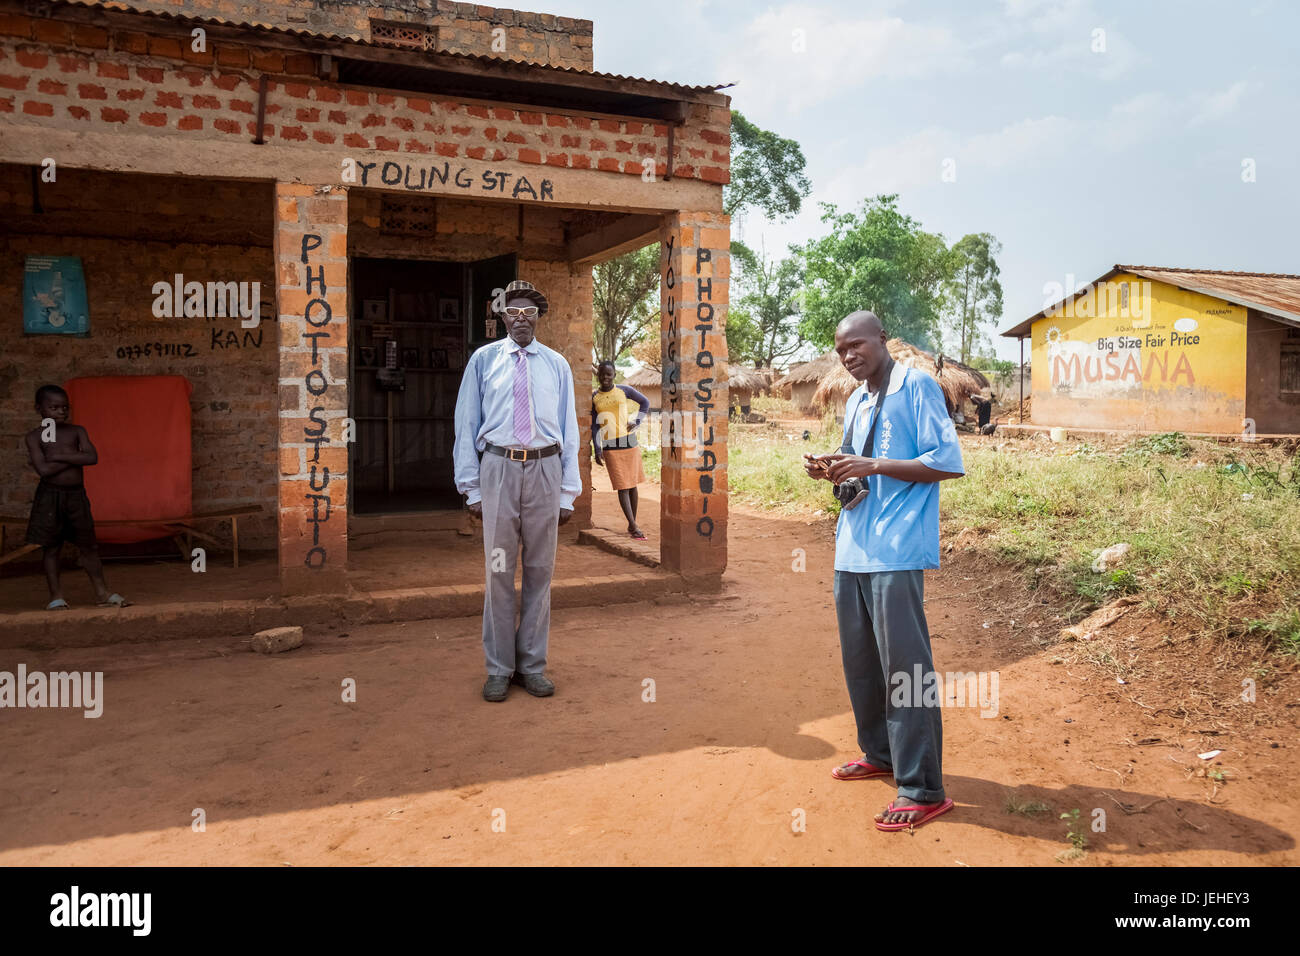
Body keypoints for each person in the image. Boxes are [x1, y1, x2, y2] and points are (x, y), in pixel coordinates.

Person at [803, 311, 964, 831]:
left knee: (906, 672)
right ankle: (880, 754)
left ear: (881, 339)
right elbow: (856, 466)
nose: (849, 355)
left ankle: (922, 788)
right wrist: (834, 466)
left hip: (896, 549)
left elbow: (946, 462)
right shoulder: (855, 400)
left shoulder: (916, 386)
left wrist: (873, 465)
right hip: (852, 548)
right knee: (863, 664)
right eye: (841, 349)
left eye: (857, 344)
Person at [453, 280, 580, 702]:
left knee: (541, 572)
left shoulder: (556, 364)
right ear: (502, 317)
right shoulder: (483, 361)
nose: (521, 319)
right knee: (499, 571)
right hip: (498, 471)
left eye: (529, 313)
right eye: (513, 312)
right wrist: (470, 488)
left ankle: (532, 666)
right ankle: (499, 669)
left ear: (538, 318)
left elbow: (570, 429)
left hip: (545, 470)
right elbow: (466, 423)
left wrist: (567, 492)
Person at [24, 384, 129, 610]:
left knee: (89, 546)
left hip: (76, 496)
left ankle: (102, 593)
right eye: (54, 407)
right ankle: (56, 597)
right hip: (50, 497)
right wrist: (74, 457)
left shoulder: (77, 431)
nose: (61, 411)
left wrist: (58, 455)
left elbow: (92, 457)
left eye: (65, 407)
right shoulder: (34, 437)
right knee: (51, 547)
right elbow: (43, 471)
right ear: (38, 408)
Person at [591, 360, 650, 540]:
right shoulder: (594, 397)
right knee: (622, 486)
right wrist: (597, 447)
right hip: (610, 446)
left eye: (608, 374)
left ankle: (633, 524)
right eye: (602, 374)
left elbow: (645, 402)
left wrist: (637, 421)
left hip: (629, 443)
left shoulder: (624, 391)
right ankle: (633, 525)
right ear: (598, 376)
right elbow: (594, 426)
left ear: (614, 374)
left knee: (632, 485)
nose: (605, 378)